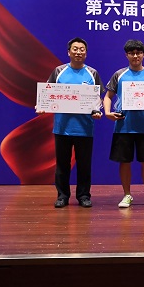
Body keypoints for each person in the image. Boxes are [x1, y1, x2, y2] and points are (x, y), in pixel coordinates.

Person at [38, 37, 103, 208]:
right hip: (62, 127)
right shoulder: (59, 71)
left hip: (85, 128)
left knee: (84, 165)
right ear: (69, 52)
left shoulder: (92, 73)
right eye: (75, 49)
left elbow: (97, 98)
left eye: (82, 49)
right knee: (62, 164)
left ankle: (83, 196)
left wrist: (97, 111)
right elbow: (47, 93)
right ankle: (62, 196)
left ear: (86, 53)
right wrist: (42, 106)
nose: (78, 52)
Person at [103, 39, 144, 209]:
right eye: (132, 53)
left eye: (138, 53)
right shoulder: (119, 74)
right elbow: (108, 96)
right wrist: (107, 112)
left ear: (143, 55)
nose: (135, 56)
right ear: (126, 55)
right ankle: (127, 195)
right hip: (123, 125)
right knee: (125, 162)